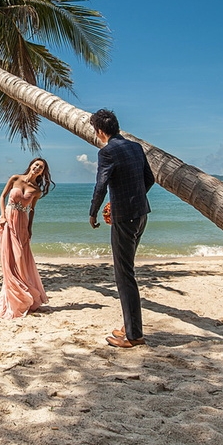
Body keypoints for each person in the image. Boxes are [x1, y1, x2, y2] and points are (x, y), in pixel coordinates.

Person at [88, 109, 155, 348]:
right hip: (141, 214)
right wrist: (134, 198)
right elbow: (149, 178)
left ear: (100, 130)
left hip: (124, 218)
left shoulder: (106, 152)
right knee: (128, 271)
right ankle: (129, 326)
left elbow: (101, 184)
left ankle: (134, 336)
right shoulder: (135, 147)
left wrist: (93, 212)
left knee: (124, 275)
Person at [0, 158, 54, 318]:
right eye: (36, 165)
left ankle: (24, 294)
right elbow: (2, 197)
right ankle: (13, 298)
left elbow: (31, 210)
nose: (37, 168)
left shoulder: (36, 190)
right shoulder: (15, 178)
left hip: (22, 224)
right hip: (9, 219)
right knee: (10, 257)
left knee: (21, 258)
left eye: (41, 167)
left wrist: (30, 228)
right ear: (31, 165)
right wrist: (3, 216)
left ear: (42, 172)